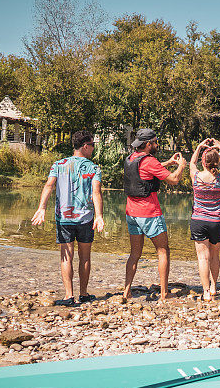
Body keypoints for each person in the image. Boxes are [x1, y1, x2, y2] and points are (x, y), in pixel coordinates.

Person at [31, 130, 105, 306]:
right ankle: (84, 294)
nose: (94, 149)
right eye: (93, 145)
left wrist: (42, 208)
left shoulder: (58, 164)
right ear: (85, 146)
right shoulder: (94, 168)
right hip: (86, 218)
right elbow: (96, 192)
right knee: (85, 257)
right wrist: (99, 215)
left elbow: (49, 185)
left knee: (66, 257)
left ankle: (68, 296)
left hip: (64, 218)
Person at [123, 128, 186, 301]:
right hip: (149, 213)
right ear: (148, 144)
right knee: (163, 250)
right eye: (156, 142)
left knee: (135, 253)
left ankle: (126, 291)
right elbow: (173, 180)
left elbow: (146, 171)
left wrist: (168, 163)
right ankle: (164, 293)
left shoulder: (131, 158)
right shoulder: (149, 161)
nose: (157, 144)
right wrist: (181, 166)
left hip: (131, 213)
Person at [189, 138, 220, 301]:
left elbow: (191, 164)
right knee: (215, 255)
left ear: (203, 161)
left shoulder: (195, 176)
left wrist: (199, 147)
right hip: (217, 221)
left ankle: (206, 291)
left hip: (199, 221)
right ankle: (214, 287)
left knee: (203, 257)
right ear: (217, 162)